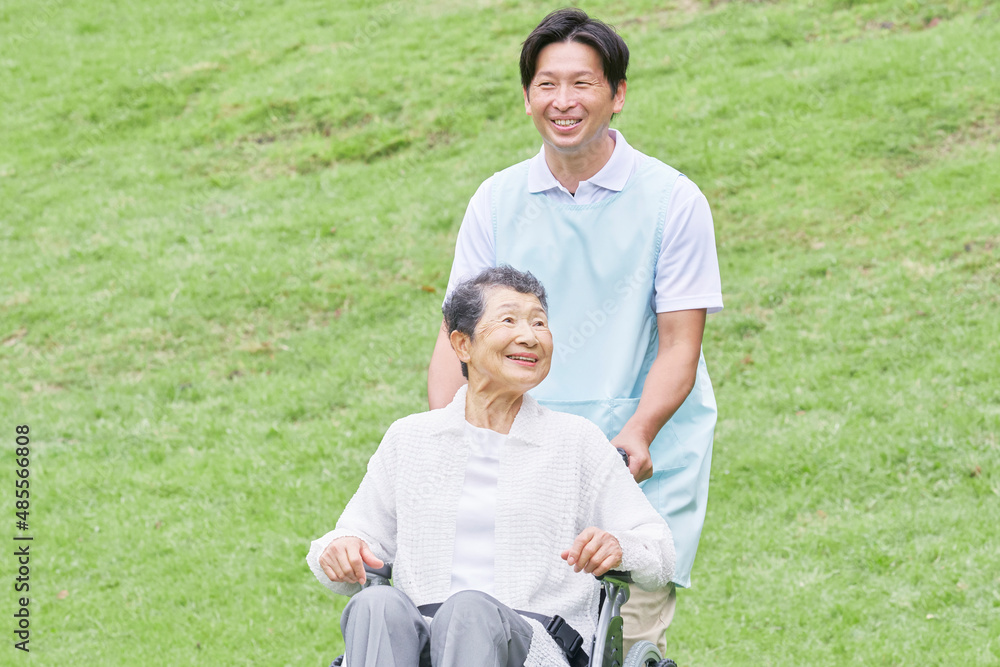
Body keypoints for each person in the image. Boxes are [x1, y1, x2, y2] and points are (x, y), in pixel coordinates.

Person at [426, 8, 723, 656]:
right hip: (516, 464)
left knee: (624, 641)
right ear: (528, 96)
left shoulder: (671, 201)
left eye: (582, 83)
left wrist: (639, 434)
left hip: (632, 465)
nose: (564, 101)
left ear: (617, 94)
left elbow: (680, 343)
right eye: (547, 84)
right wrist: (444, 439)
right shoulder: (497, 202)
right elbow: (458, 342)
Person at [308, 266, 675, 667]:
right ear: (462, 344)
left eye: (539, 322)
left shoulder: (576, 441)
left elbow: (657, 549)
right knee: (375, 604)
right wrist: (338, 551)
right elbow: (353, 540)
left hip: (534, 645)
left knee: (469, 611)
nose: (530, 336)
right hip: (420, 646)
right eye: (509, 320)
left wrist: (619, 547)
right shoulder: (409, 439)